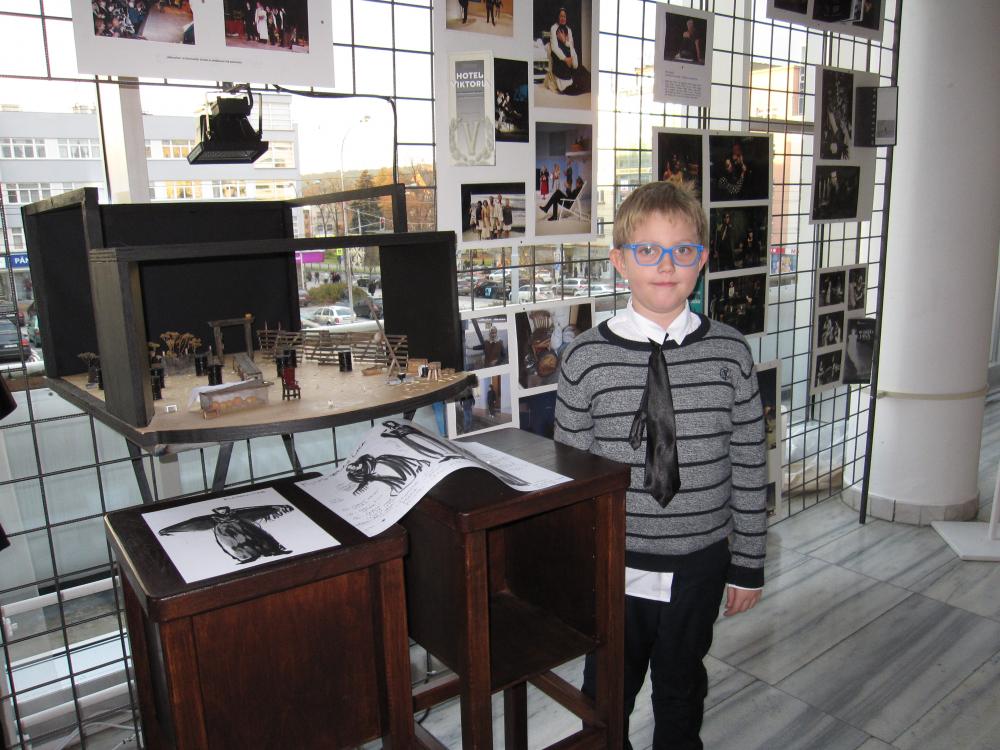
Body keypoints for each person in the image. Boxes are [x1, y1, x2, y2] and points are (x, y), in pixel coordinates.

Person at [554, 181, 767, 750]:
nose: (666, 265)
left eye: (683, 250)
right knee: (605, 696)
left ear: (702, 259)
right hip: (614, 564)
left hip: (701, 561)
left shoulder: (730, 352)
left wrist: (747, 564)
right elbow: (572, 481)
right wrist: (576, 573)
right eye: (647, 250)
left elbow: (750, 461)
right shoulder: (584, 358)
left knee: (681, 688)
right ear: (620, 261)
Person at [549, 8, 591, 95]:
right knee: (569, 87)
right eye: (561, 16)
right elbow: (554, 48)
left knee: (585, 75)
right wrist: (565, 59)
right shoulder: (554, 28)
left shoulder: (569, 30)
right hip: (560, 59)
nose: (563, 18)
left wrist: (565, 41)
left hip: (570, 59)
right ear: (557, 17)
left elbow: (571, 46)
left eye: (564, 16)